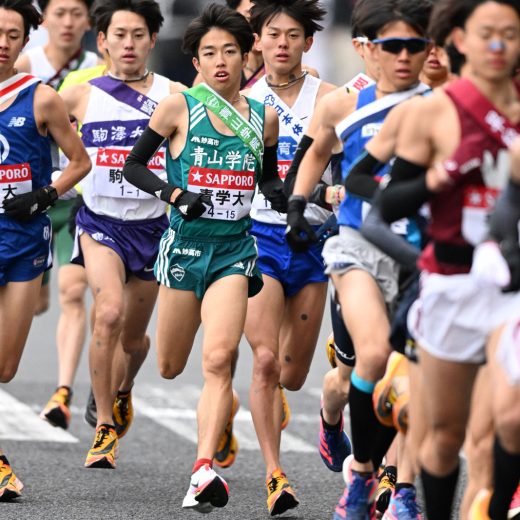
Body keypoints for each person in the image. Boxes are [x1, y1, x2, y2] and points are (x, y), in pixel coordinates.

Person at [122, 3, 286, 512]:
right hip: (184, 249)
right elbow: (133, 167)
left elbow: (267, 182)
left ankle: (202, 471)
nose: (220, 62)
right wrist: (175, 195)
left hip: (235, 250)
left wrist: (288, 198)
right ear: (194, 60)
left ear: (245, 55)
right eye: (209, 52)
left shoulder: (264, 116)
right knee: (171, 366)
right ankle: (198, 404)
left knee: (219, 359)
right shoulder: (178, 108)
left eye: (230, 51)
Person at [371, 1, 520, 517]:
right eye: (487, 34)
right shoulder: (433, 111)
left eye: (510, 34)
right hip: (451, 280)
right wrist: (445, 174)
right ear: (459, 40)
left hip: (512, 284)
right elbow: (387, 203)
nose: (499, 45)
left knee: (514, 415)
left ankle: (495, 508)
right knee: (441, 434)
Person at [286, 0, 433, 517]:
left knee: (413, 373)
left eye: (416, 46)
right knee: (371, 358)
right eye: (392, 47)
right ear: (364, 49)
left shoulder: (441, 107)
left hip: (422, 254)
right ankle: (363, 474)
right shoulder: (341, 104)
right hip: (358, 245)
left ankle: (404, 487)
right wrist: (298, 207)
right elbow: (317, 154)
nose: (404, 57)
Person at [59, 0, 185, 468]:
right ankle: (104, 426)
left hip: (154, 227)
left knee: (134, 342)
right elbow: (42, 135)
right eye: (119, 35)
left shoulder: (176, 94)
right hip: (100, 223)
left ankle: (124, 386)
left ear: (153, 39)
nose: (128, 44)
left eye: (138, 34)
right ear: (103, 41)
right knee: (106, 313)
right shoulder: (79, 96)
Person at [239, 0, 338, 514]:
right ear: (257, 40)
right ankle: (275, 476)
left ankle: (329, 404)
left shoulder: (331, 98)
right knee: (263, 360)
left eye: (292, 35)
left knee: (292, 374)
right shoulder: (240, 99)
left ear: (307, 42)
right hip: (257, 236)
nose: (281, 43)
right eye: (273, 34)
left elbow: (344, 170)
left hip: (313, 241)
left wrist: (331, 195)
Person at [0, 0, 90, 499]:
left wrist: (45, 194)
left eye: (13, 34)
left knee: (7, 366)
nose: (3, 42)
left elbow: (81, 161)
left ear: (25, 41)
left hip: (23, 242)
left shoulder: (41, 98)